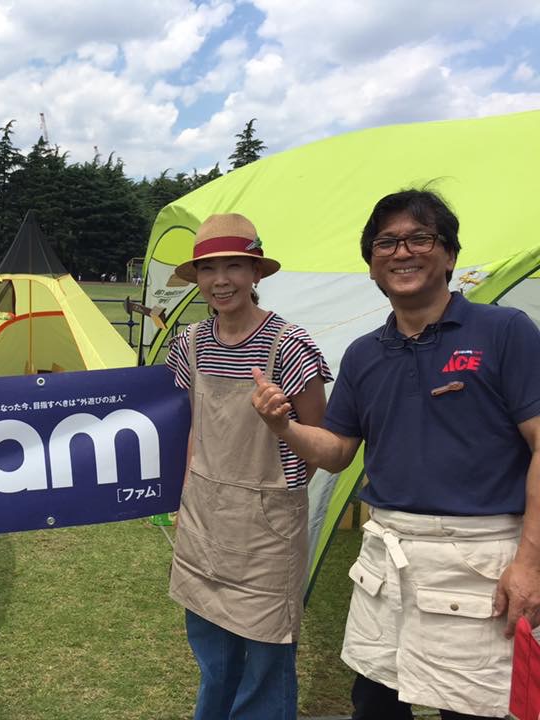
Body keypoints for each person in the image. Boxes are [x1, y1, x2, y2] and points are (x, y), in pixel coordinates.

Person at [251, 188, 540, 719]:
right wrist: (283, 425)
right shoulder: (364, 353)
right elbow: (337, 452)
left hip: (481, 558)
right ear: (370, 266)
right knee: (375, 703)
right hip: (388, 555)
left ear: (450, 255)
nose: (401, 253)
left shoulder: (504, 332)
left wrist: (530, 562)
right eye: (385, 244)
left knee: (477, 708)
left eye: (418, 239)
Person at [165, 213, 331, 720]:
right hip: (203, 516)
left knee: (266, 656)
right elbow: (193, 426)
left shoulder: (290, 346)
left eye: (234, 265)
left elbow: (321, 443)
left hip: (266, 525)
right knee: (212, 653)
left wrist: (281, 429)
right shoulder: (188, 343)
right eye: (209, 268)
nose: (221, 280)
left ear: (256, 273)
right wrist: (185, 493)